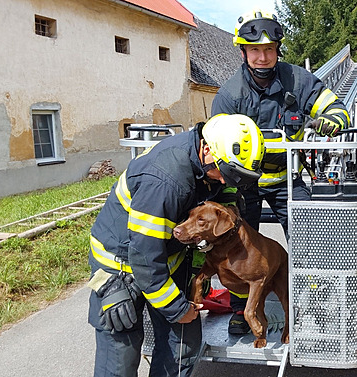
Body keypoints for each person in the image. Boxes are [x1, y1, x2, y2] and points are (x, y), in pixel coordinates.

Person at [87, 114, 265, 377]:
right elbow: (145, 256)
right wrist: (176, 309)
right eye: (227, 173)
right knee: (120, 359)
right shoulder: (164, 181)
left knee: (182, 347)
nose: (227, 181)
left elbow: (220, 192)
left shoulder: (208, 164)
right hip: (122, 268)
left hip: (164, 258)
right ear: (207, 149)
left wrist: (229, 209)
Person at [210, 9, 351, 334]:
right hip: (245, 185)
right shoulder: (230, 95)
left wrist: (332, 120)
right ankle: (240, 309)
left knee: (309, 239)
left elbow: (334, 107)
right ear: (243, 51)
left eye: (269, 50)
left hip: (287, 180)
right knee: (237, 246)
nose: (263, 57)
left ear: (278, 50)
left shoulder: (297, 80)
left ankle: (315, 303)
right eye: (255, 50)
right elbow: (215, 141)